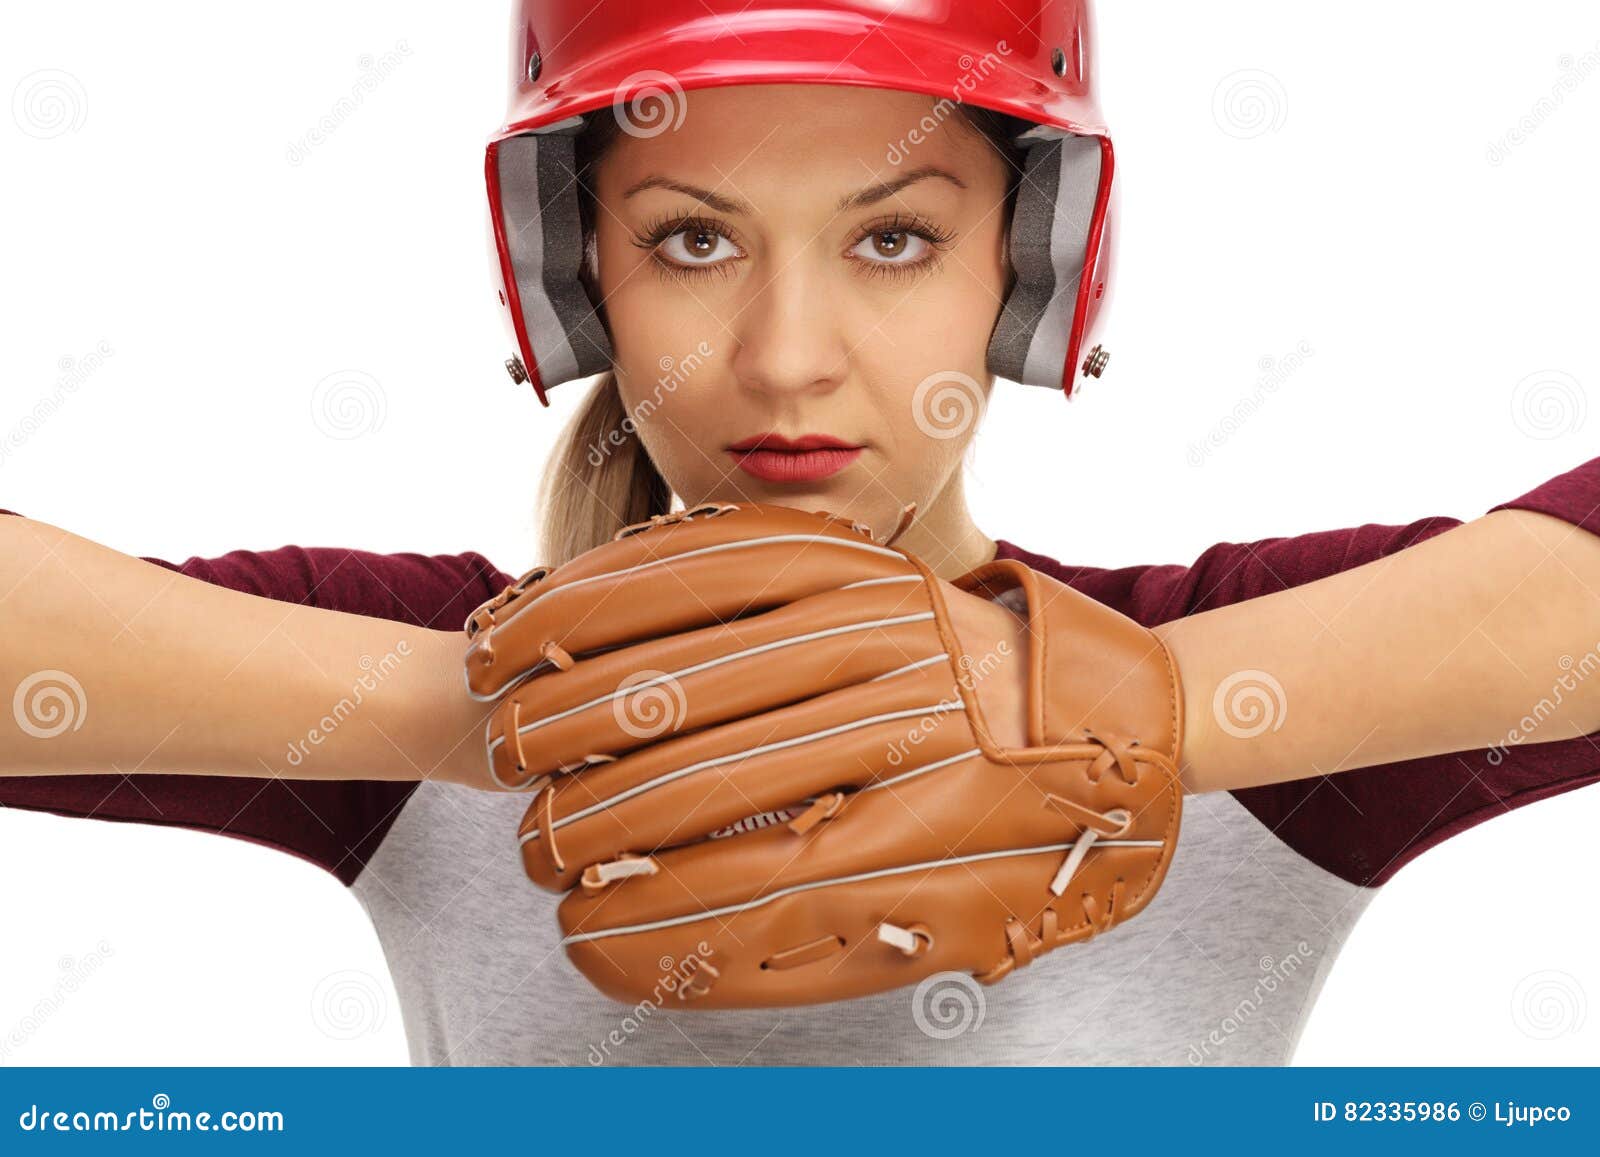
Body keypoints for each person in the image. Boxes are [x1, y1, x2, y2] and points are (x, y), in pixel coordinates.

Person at [3, 0, 1598, 1066]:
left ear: (1029, 274)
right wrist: (549, 716)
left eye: (893, 239)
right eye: (691, 239)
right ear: (580, 284)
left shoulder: (1270, 684)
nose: (782, 357)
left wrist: (1103, 709)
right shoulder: (429, 668)